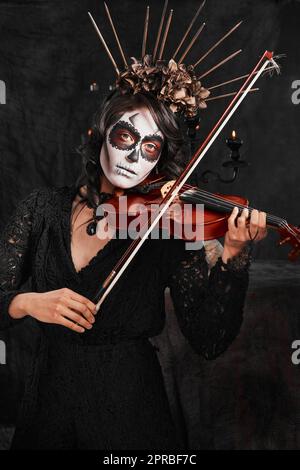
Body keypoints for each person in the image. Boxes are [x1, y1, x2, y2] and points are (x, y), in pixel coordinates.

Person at [0, 89, 267, 450]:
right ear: (98, 135)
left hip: (130, 410)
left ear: (158, 162)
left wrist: (233, 254)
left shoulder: (170, 229)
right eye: (125, 136)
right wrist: (28, 303)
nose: (133, 156)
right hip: (48, 404)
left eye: (150, 148)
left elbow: (210, 340)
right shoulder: (41, 209)